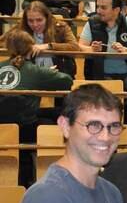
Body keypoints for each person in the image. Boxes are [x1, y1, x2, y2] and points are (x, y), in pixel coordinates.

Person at [0, 30, 74, 186]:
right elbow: (66, 81)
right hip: (26, 127)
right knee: (56, 120)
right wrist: (48, 73)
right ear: (30, 48)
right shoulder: (35, 71)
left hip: (3, 128)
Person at [77, 0, 127, 120]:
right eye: (98, 6)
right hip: (100, 74)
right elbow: (80, 47)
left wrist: (126, 50)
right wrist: (92, 49)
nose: (98, 10)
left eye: (103, 7)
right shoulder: (91, 22)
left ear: (116, 10)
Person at [1, 0, 78, 75]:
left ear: (47, 18)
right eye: (30, 21)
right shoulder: (22, 26)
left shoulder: (61, 27)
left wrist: (48, 46)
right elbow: (3, 40)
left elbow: (74, 47)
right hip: (30, 75)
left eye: (39, 20)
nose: (35, 24)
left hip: (59, 73)